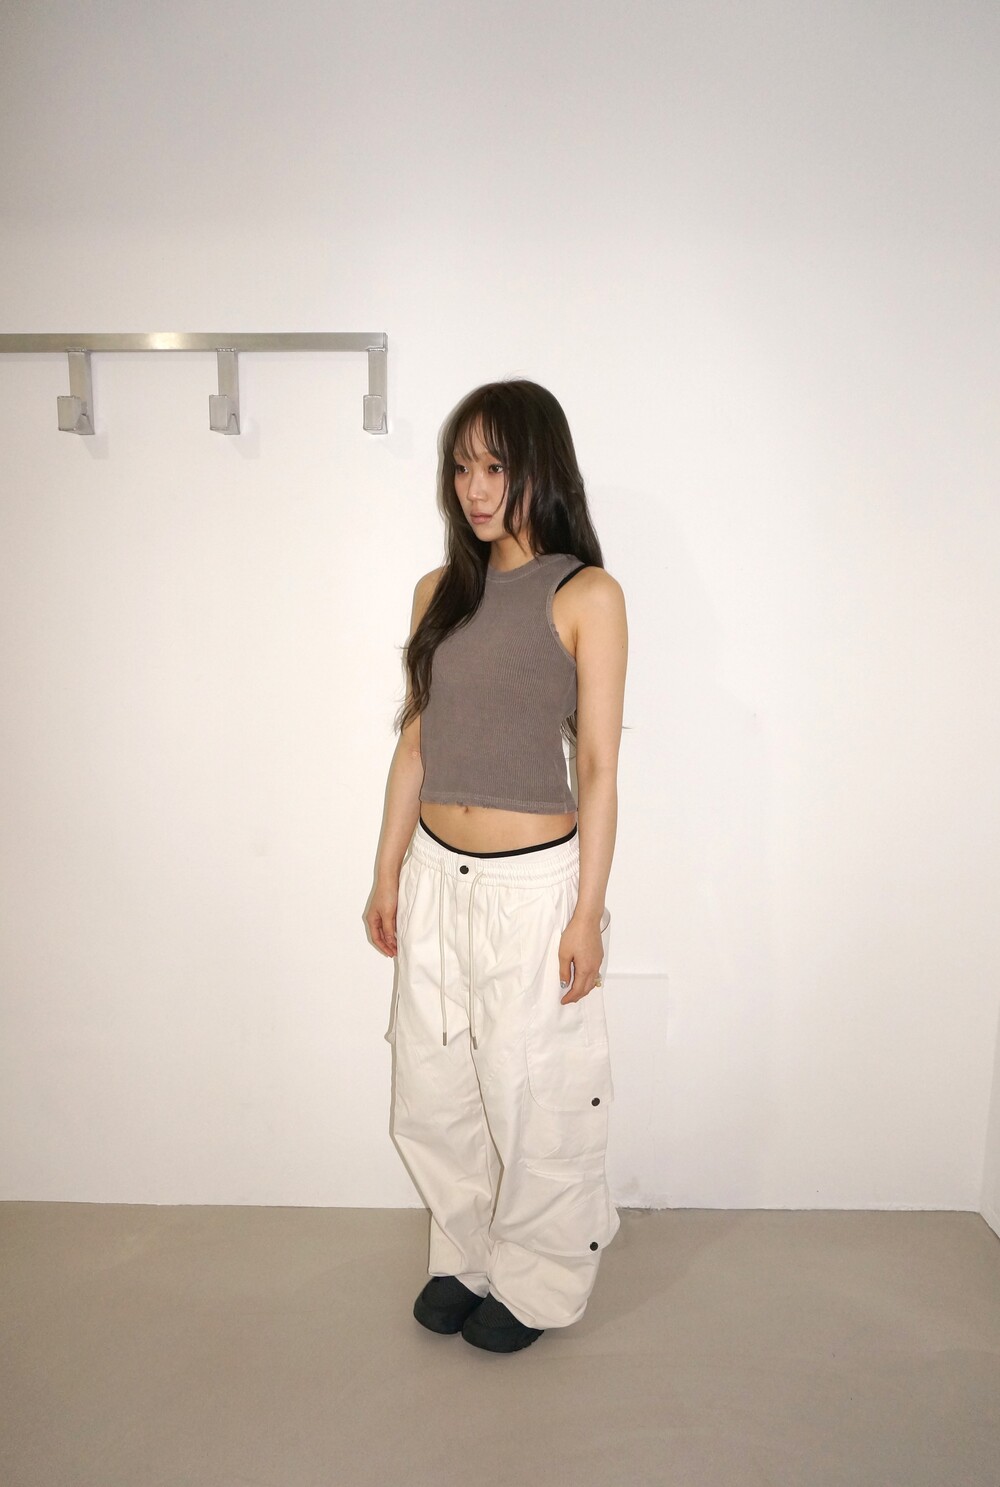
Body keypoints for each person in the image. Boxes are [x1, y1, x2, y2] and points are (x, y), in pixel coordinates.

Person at [366, 379, 628, 1353]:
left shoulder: (586, 594)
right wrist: (387, 872)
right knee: (436, 1085)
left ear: (539, 468)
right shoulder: (439, 591)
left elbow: (597, 765)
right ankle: (464, 1256)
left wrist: (588, 912)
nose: (474, 488)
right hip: (435, 876)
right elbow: (416, 744)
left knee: (532, 1091)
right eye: (461, 467)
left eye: (495, 466)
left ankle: (538, 1277)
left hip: (533, 889)